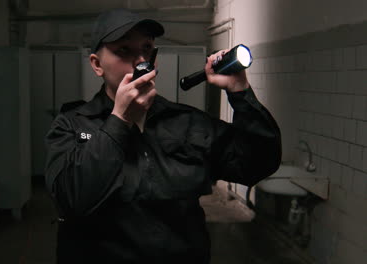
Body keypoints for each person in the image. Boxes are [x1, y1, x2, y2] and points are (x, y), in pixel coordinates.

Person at [45, 8, 281, 264]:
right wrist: (120, 119)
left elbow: (257, 164)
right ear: (97, 64)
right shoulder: (72, 124)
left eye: (146, 49)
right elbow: (72, 201)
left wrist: (240, 92)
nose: (140, 61)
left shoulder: (187, 123)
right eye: (124, 50)